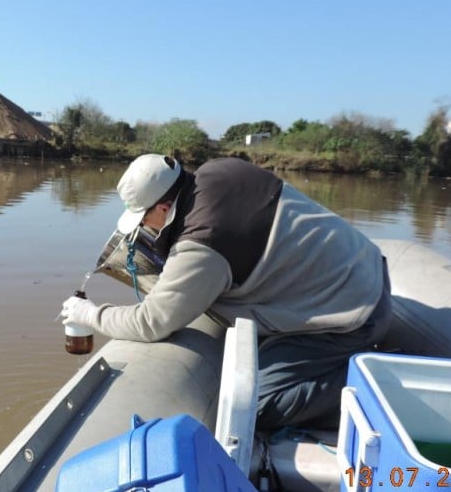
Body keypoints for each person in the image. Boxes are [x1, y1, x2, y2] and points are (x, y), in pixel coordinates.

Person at [61, 154, 392, 431]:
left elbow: (151, 322)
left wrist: (90, 315)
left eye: (144, 219)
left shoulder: (201, 246)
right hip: (364, 268)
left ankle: (381, 387)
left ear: (163, 208)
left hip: (353, 313)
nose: (145, 228)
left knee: (256, 405)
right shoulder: (219, 169)